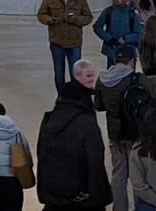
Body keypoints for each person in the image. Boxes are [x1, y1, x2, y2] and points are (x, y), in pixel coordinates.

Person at [35, 60, 111, 211]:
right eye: (88, 75)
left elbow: (42, 154)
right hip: (82, 194)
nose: (92, 79)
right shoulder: (86, 122)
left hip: (56, 192)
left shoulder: (50, 121)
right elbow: (95, 158)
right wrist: (97, 194)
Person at [93, 45, 154, 211]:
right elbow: (151, 103)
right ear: (132, 61)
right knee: (138, 175)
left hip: (114, 133)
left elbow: (98, 106)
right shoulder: (138, 79)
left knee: (118, 173)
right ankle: (140, 207)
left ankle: (119, 208)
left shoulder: (102, 79)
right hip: (136, 133)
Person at [37, 0, 94, 94]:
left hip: (74, 42)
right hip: (57, 42)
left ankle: (76, 97)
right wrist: (49, 19)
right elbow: (41, 14)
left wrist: (76, 19)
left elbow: (88, 17)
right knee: (59, 75)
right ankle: (62, 97)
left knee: (77, 74)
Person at [92, 0, 143, 68]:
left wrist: (125, 39)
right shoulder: (108, 12)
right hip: (111, 50)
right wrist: (109, 38)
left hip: (128, 52)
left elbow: (139, 34)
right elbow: (97, 27)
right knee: (112, 75)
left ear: (126, 0)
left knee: (128, 76)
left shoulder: (132, 15)